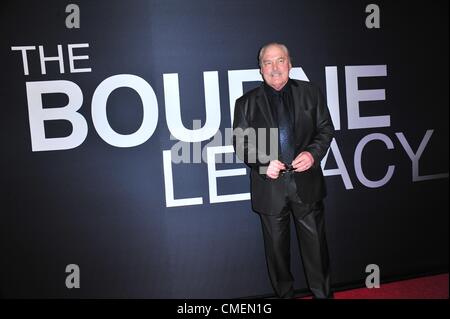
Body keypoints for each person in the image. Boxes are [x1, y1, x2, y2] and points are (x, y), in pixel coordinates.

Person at [232, 43, 335, 299]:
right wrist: (264, 163)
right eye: (268, 62)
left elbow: (325, 129)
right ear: (260, 69)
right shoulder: (245, 103)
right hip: (270, 189)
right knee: (277, 258)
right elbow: (241, 143)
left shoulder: (311, 93)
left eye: (280, 60)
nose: (275, 68)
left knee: (317, 254)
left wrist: (312, 154)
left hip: (307, 186)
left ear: (290, 63)